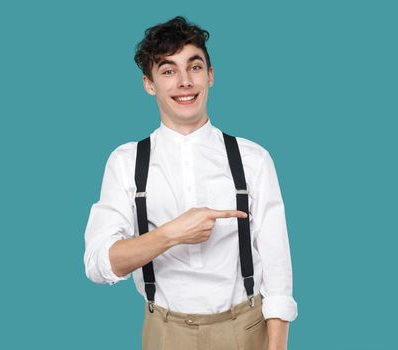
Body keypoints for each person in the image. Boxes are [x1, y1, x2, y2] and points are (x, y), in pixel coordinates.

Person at [83, 16, 297, 350]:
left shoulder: (252, 158)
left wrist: (277, 346)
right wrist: (171, 234)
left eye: (194, 67)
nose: (184, 81)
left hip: (245, 328)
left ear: (210, 76)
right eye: (168, 71)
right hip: (165, 332)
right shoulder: (126, 162)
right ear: (149, 84)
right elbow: (99, 264)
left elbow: (278, 268)